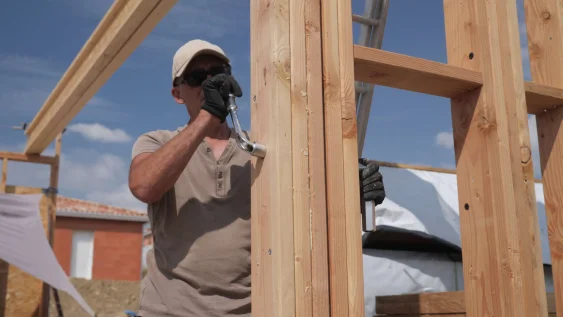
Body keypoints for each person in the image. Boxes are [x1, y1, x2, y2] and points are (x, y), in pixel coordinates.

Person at [128, 39, 386, 317]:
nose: (210, 83)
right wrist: (207, 118)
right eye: (197, 78)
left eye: (218, 73)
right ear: (177, 94)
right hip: (169, 311)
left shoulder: (263, 148)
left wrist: (349, 194)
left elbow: (308, 212)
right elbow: (144, 186)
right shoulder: (157, 142)